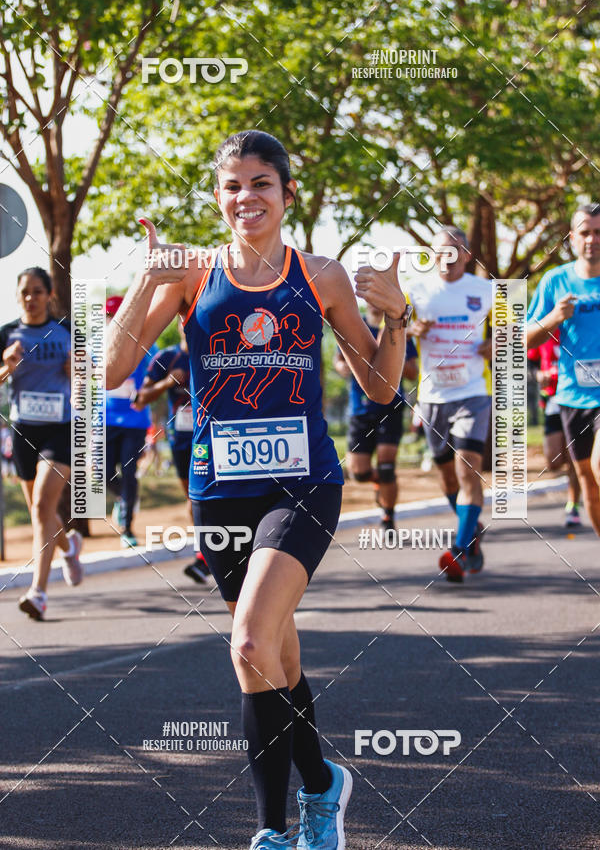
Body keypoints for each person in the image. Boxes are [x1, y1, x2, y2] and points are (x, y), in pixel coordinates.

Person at [105, 130, 409, 850]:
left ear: (287, 194)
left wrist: (397, 316)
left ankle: (272, 829)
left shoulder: (322, 276)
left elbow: (380, 385)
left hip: (303, 482)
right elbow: (112, 368)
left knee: (247, 642)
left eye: (262, 184)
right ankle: (322, 787)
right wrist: (148, 281)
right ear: (219, 197)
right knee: (275, 652)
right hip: (218, 489)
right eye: (233, 185)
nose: (247, 198)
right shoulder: (190, 276)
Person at [407, 226, 492, 582]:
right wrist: (412, 331)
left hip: (473, 391)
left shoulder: (488, 291)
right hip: (433, 396)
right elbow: (396, 329)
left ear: (468, 256)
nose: (447, 258)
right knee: (447, 477)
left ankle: (458, 546)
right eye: (440, 251)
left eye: (454, 251)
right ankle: (471, 528)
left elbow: (513, 331)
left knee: (466, 467)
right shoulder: (417, 290)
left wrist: (498, 343)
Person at [0, 267, 83, 620]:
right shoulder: (7, 334)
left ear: (50, 294)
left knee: (40, 508)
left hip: (60, 429)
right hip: (23, 431)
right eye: (25, 292)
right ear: (18, 296)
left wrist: (77, 369)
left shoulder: (66, 330)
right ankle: (69, 545)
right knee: (42, 513)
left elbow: (92, 374)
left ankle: (38, 592)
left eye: (37, 291)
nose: (31, 298)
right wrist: (5, 366)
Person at [527, 203, 600, 537]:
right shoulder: (555, 281)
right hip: (572, 394)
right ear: (572, 238)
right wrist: (554, 318)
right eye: (585, 232)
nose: (592, 239)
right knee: (588, 481)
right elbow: (522, 337)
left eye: (599, 233)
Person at [135, 319, 212, 584]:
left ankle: (206, 557)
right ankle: (209, 554)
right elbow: (140, 398)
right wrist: (167, 383)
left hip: (215, 438)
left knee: (203, 498)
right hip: (182, 439)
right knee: (194, 498)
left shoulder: (218, 349)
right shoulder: (167, 357)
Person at [334, 302, 418, 531]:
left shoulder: (397, 328)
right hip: (360, 410)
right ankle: (380, 483)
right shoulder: (352, 325)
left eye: (377, 297)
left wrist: (390, 360)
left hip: (390, 407)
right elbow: (339, 364)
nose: (373, 303)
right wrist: (356, 364)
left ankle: (388, 517)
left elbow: (412, 372)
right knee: (358, 473)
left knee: (387, 467)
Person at [105, 295, 156, 548]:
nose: (113, 322)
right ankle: (124, 498)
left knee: (129, 471)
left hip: (135, 420)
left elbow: (158, 369)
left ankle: (127, 529)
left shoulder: (144, 342)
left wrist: (148, 387)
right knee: (102, 473)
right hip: (106, 420)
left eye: (118, 317)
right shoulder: (97, 346)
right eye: (109, 318)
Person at [527, 334, 581, 527]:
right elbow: (529, 361)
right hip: (553, 401)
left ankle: (572, 505)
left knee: (576, 457)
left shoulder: (580, 330)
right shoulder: (544, 332)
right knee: (554, 461)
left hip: (578, 400)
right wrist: (538, 375)